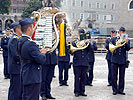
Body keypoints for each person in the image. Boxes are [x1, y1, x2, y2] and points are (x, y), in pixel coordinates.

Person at [18, 18, 47, 100]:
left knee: (26, 97)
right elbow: (41, 60)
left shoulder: (20, 40)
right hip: (32, 76)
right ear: (29, 28)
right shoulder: (30, 44)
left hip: (25, 74)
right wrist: (43, 53)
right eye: (32, 27)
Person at [111, 27, 130, 95]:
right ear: (119, 32)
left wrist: (127, 43)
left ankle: (121, 90)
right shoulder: (114, 39)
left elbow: (128, 49)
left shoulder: (126, 39)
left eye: (124, 32)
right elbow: (111, 48)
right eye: (121, 32)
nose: (123, 33)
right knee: (114, 76)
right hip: (115, 60)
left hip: (122, 60)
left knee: (122, 76)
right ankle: (114, 90)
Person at [72, 29, 90, 97]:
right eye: (81, 33)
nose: (82, 35)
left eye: (83, 33)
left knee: (83, 78)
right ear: (79, 34)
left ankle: (82, 91)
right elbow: (71, 52)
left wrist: (89, 43)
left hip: (84, 62)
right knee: (77, 78)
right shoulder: (74, 42)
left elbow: (91, 50)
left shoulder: (86, 42)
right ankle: (76, 91)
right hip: (77, 62)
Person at [8, 22, 22, 100]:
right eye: (21, 28)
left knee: (16, 88)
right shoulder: (14, 39)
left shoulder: (16, 38)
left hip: (16, 68)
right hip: (15, 68)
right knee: (15, 89)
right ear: (17, 29)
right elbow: (16, 55)